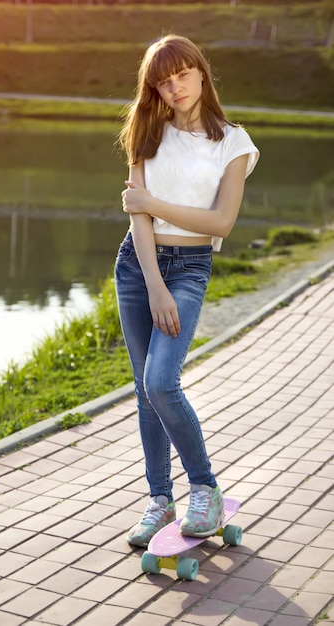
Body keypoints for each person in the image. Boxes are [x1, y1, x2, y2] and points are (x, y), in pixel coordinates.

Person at [114, 34, 259, 548]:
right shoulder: (145, 129)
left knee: (161, 381)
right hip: (139, 265)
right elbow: (137, 215)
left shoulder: (234, 143)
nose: (175, 88)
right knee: (144, 390)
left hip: (191, 265)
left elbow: (221, 220)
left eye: (183, 75)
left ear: (201, 71)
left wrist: (151, 201)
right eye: (163, 81)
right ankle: (160, 500)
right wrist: (153, 282)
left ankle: (205, 489)